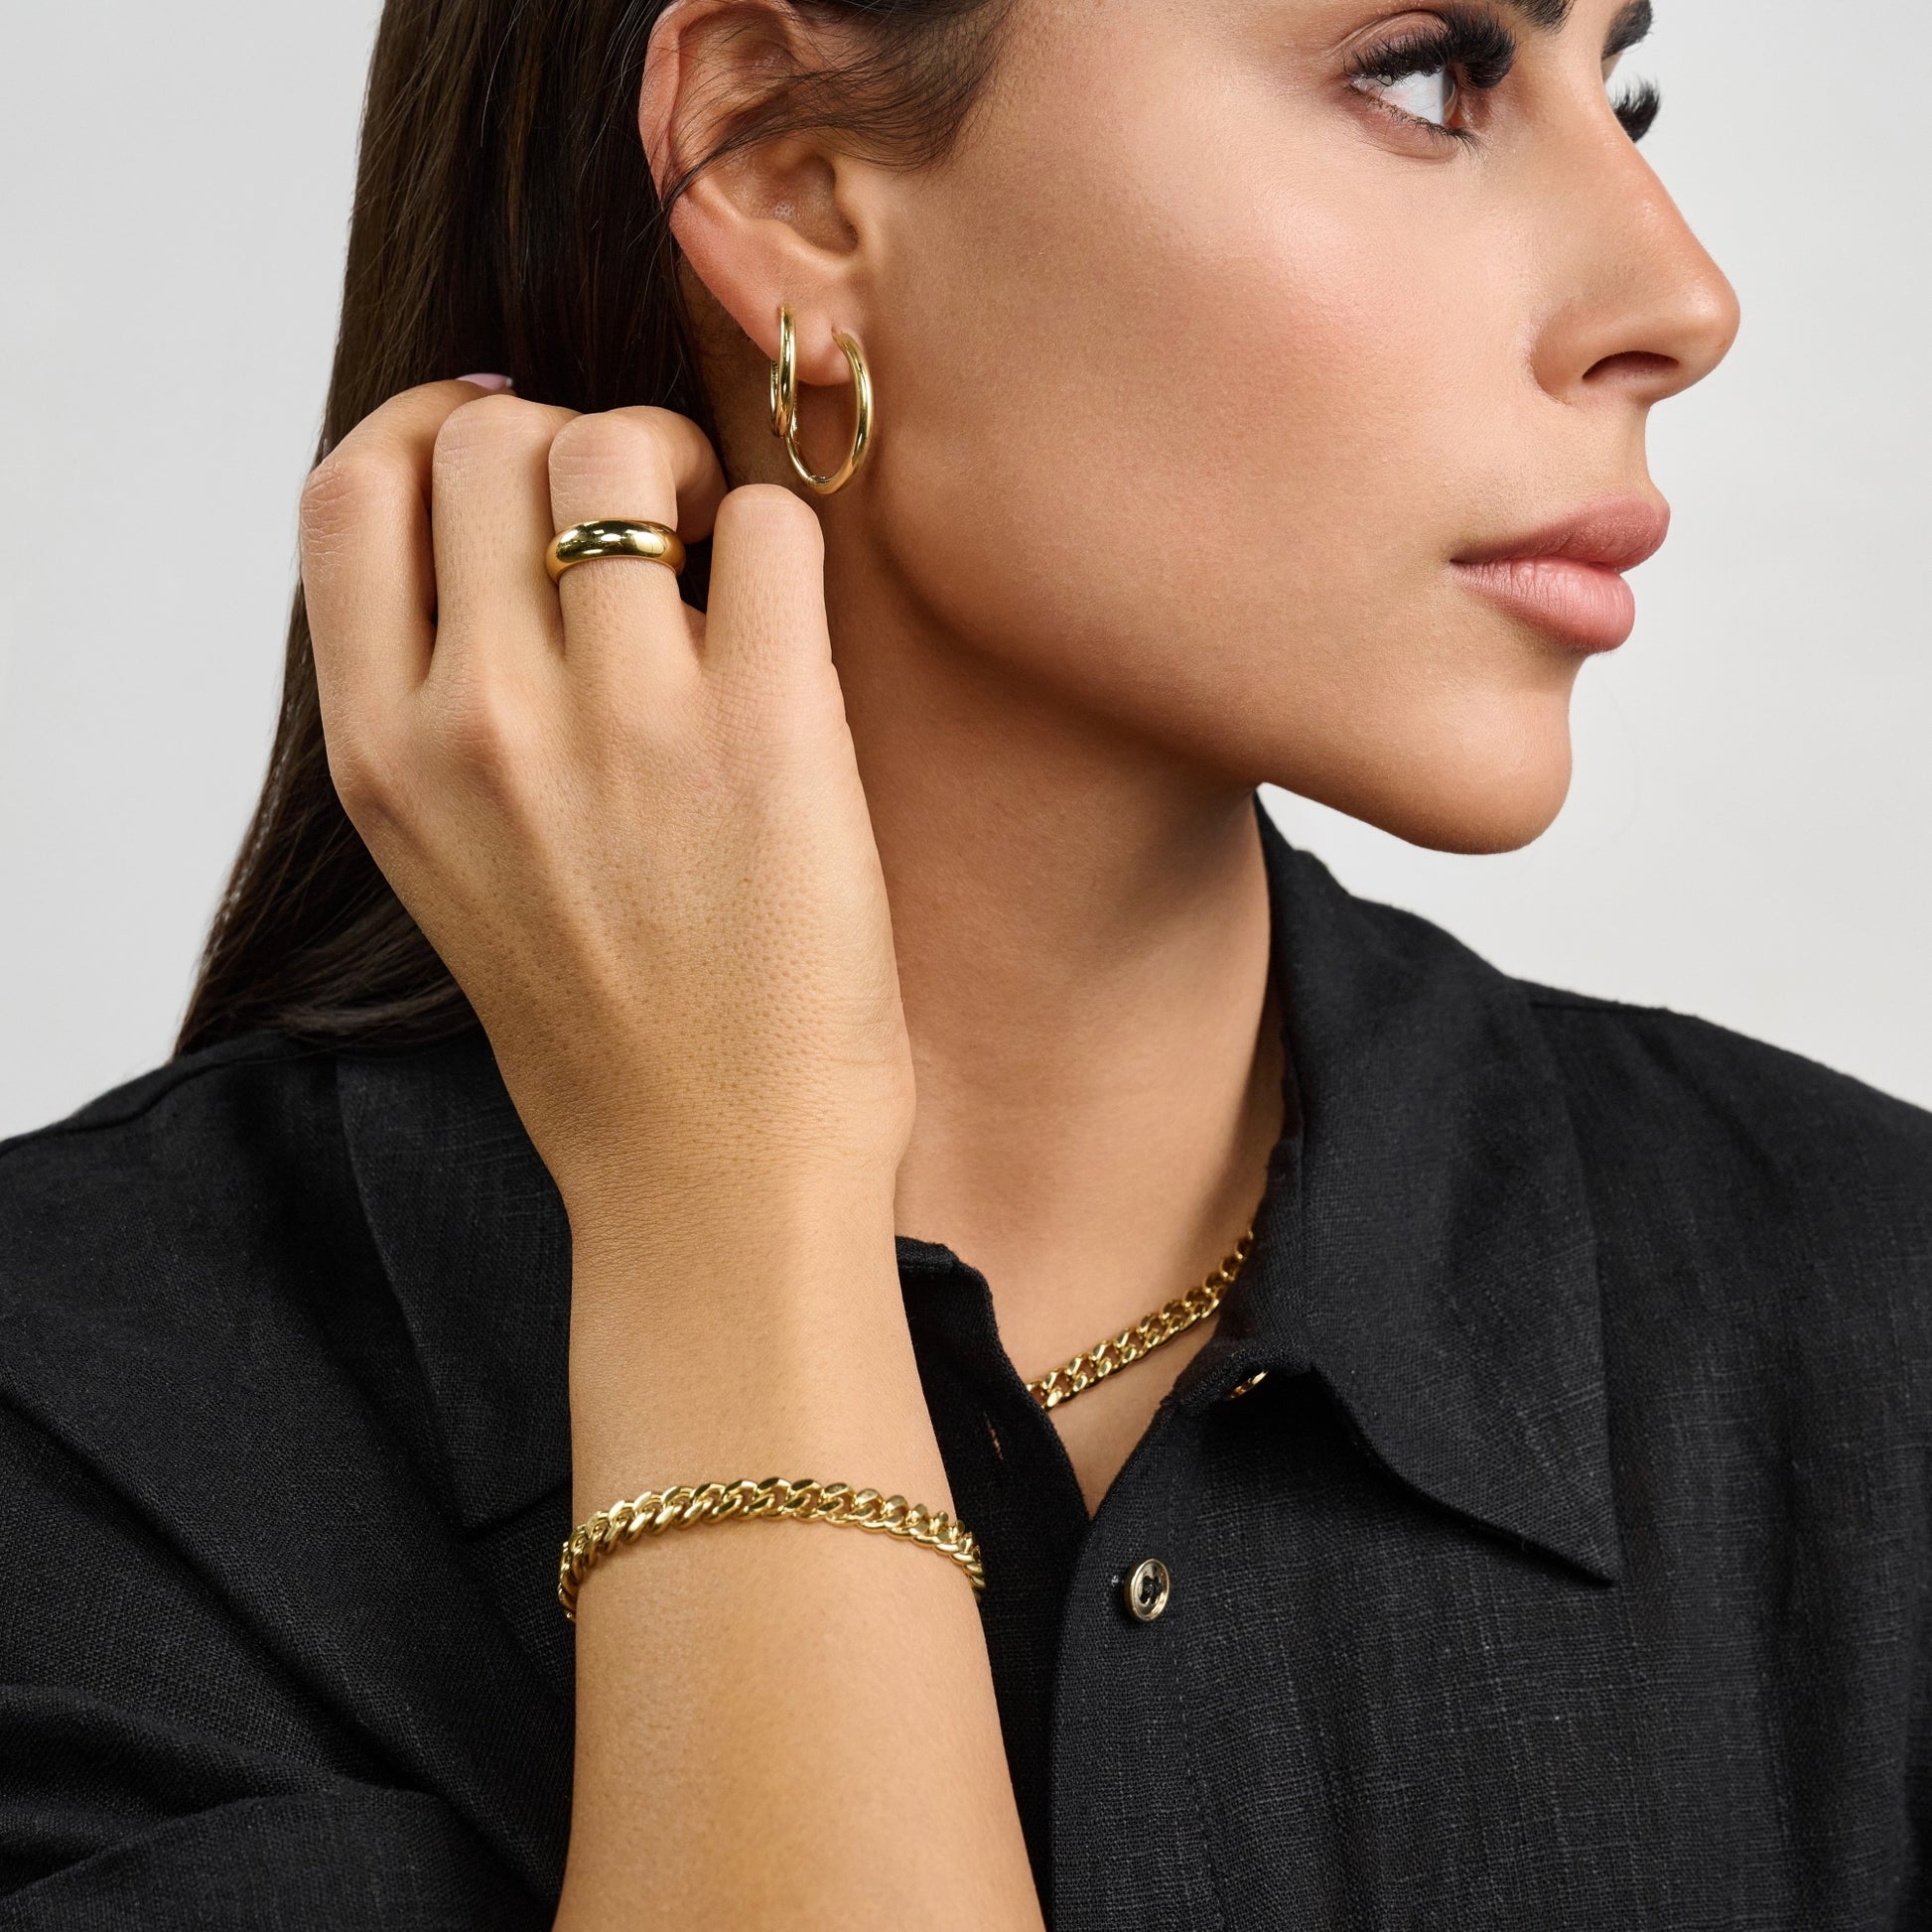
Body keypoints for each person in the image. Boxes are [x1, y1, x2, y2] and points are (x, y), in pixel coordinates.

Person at [3, 0, 1928, 1925]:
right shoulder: (78, 1446)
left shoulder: (1880, 1346)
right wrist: (725, 1205)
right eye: (1424, 76)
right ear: (784, 172)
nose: (1681, 299)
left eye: (1623, 89)